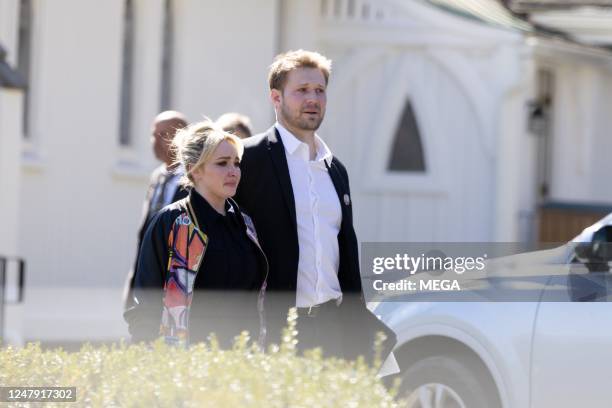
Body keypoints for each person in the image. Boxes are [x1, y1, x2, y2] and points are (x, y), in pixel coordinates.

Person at [234, 50, 396, 362]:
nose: (313, 99)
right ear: (276, 98)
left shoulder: (336, 170)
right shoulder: (249, 159)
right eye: (302, 90)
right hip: (275, 329)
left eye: (319, 91)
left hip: (334, 329)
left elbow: (345, 251)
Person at [124, 120, 268, 346]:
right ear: (195, 168)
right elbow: (145, 305)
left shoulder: (245, 224)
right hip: (187, 367)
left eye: (236, 163)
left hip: (242, 366)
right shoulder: (171, 222)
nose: (233, 171)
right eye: (222, 163)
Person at [123, 111, 190, 309]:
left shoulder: (193, 180)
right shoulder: (156, 177)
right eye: (154, 134)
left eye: (161, 134)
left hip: (175, 282)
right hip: (148, 277)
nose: (153, 140)